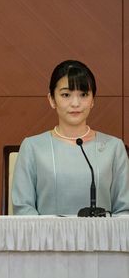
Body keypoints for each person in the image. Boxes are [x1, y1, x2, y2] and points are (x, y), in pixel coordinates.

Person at [12, 60, 129, 215]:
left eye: (83, 94)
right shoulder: (32, 147)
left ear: (93, 100)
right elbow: (23, 209)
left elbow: (124, 210)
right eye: (66, 95)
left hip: (102, 239)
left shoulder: (114, 148)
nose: (75, 103)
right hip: (47, 239)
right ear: (52, 99)